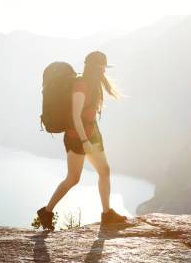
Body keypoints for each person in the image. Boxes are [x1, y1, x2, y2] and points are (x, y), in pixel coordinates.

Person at [37, 51, 128, 229]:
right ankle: (46, 212)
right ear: (95, 68)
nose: (104, 72)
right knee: (73, 179)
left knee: (105, 171)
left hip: (93, 134)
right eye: (102, 68)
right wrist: (85, 141)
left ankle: (107, 213)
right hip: (77, 137)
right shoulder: (81, 85)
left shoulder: (93, 84)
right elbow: (75, 116)